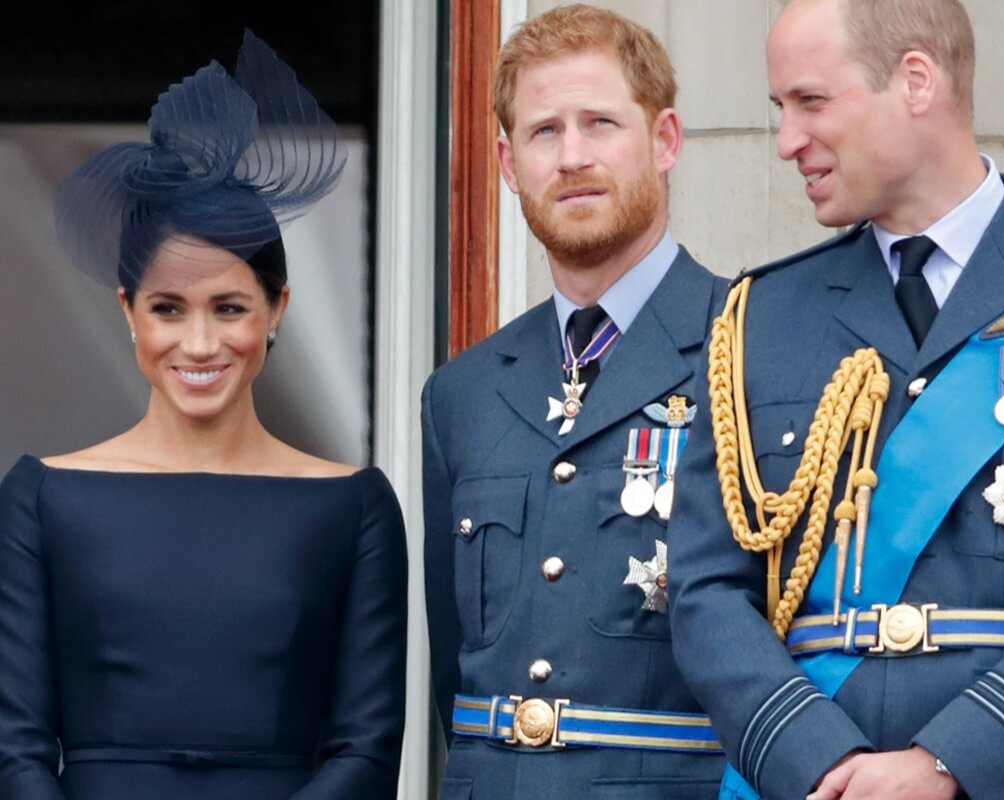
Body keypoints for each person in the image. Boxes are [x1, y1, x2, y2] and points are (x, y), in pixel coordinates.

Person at [666, 0, 1004, 798]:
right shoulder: (759, 317)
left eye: (811, 103)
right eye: (780, 110)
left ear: (915, 80)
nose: (787, 141)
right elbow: (708, 588)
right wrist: (817, 758)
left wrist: (949, 763)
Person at [0, 32, 407, 800]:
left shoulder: (354, 507)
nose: (198, 342)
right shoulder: (41, 498)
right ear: (128, 311)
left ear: (276, 308)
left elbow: (366, 751)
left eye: (228, 308)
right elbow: (13, 750)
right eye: (167, 308)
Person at [421, 6, 727, 799]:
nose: (574, 156)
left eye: (600, 122)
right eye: (544, 131)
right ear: (506, 161)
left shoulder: (751, 350)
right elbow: (454, 665)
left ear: (664, 140)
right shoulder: (463, 393)